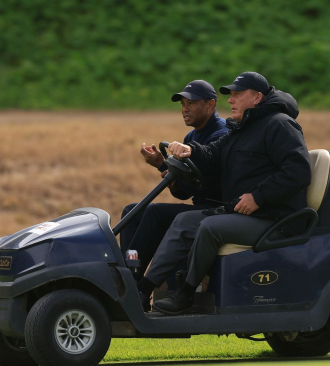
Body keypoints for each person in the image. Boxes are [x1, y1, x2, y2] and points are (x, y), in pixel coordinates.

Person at [139, 72, 311, 315]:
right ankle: (142, 290)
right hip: (247, 214)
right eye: (230, 95)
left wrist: (258, 197)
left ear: (257, 98)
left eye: (237, 95)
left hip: (275, 218)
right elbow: (212, 153)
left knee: (210, 226)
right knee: (185, 220)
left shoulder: (279, 125)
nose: (230, 101)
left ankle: (186, 294)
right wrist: (190, 149)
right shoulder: (241, 128)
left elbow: (299, 171)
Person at [120, 80, 228, 308]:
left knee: (156, 213)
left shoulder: (222, 134)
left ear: (210, 105)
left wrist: (171, 171)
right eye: (182, 104)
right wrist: (162, 165)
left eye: (191, 103)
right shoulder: (191, 137)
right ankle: (128, 277)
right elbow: (185, 193)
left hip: (218, 210)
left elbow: (213, 183)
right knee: (132, 211)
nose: (185, 109)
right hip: (199, 207)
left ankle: (136, 290)